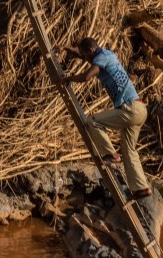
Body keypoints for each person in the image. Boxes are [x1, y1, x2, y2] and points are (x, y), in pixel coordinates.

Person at [62, 37, 152, 200]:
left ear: (90, 51)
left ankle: (111, 155)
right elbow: (82, 54)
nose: (85, 59)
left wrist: (69, 79)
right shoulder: (106, 54)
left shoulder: (101, 58)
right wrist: (66, 48)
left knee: (93, 121)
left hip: (130, 109)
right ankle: (141, 188)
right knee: (129, 150)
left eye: (85, 55)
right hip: (140, 109)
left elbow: (86, 77)